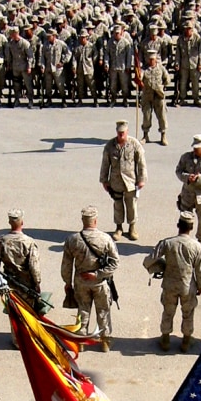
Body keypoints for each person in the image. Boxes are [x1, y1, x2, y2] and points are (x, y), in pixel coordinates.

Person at [143, 211, 201, 353]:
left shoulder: (167, 243)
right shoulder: (196, 246)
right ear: (192, 227)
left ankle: (165, 339)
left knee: (168, 311)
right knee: (188, 313)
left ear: (178, 225)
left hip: (169, 285)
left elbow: (148, 260)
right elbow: (200, 270)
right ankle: (186, 341)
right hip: (187, 285)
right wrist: (200, 285)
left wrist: (158, 266)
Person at [61, 206, 119, 352]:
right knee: (103, 311)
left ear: (83, 220)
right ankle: (105, 341)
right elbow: (115, 262)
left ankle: (81, 341)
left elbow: (67, 265)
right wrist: (99, 274)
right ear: (95, 220)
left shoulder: (72, 240)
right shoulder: (105, 238)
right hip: (100, 282)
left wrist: (67, 283)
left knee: (83, 310)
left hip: (81, 282)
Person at [0, 209, 42, 345]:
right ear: (22, 222)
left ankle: (17, 340)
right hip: (26, 284)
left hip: (9, 284)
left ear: (9, 222)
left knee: (14, 312)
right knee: (28, 312)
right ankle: (28, 339)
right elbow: (34, 267)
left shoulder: (1, 241)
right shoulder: (29, 242)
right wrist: (37, 283)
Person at [99, 120, 147, 241]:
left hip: (130, 181)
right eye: (119, 133)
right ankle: (119, 227)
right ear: (116, 132)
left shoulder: (134, 144)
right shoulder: (110, 146)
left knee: (131, 205)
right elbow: (105, 164)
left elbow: (141, 163)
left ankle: (132, 227)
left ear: (127, 132)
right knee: (118, 205)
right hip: (115, 182)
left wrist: (142, 179)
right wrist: (104, 180)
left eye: (123, 133)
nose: (121, 135)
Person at [175, 134, 201, 243]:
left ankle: (200, 241)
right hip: (187, 195)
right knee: (185, 219)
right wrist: (187, 177)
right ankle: (184, 240)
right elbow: (178, 171)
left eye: (198, 148)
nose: (195, 150)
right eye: (194, 148)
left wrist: (199, 178)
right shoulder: (185, 157)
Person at [140, 50, 170, 146]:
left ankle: (163, 135)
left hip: (159, 95)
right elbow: (139, 77)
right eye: (149, 59)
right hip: (147, 95)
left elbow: (167, 79)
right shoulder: (144, 68)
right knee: (146, 116)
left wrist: (161, 86)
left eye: (152, 59)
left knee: (162, 116)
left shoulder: (161, 68)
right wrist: (138, 80)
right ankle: (145, 135)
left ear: (155, 59)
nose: (151, 61)